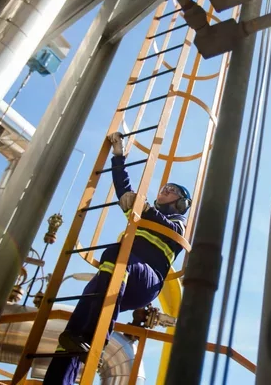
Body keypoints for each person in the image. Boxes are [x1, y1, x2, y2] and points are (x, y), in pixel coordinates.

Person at [43, 132, 191, 384]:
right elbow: (123, 188)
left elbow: (166, 226)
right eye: (164, 187)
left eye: (173, 190)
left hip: (146, 282)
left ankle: (96, 338)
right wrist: (118, 154)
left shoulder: (178, 224)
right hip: (119, 276)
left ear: (181, 203)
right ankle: (58, 378)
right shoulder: (142, 215)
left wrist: (143, 208)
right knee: (79, 317)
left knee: (115, 254)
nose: (165, 189)